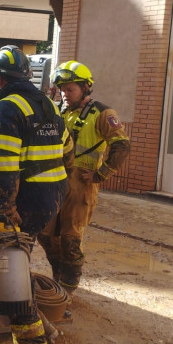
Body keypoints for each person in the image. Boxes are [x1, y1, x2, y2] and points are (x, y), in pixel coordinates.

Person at [0, 45, 74, 344]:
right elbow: (68, 152)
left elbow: (5, 161)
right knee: (16, 255)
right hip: (54, 193)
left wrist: (5, 206)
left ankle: (31, 343)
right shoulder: (48, 103)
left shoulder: (7, 106)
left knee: (8, 264)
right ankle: (42, 325)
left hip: (27, 197)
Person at [40, 61, 130, 295]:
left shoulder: (103, 113)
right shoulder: (60, 111)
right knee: (47, 235)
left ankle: (67, 291)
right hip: (56, 180)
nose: (65, 94)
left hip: (81, 185)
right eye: (62, 89)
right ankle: (57, 279)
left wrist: (101, 174)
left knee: (70, 239)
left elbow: (121, 145)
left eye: (70, 89)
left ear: (85, 87)